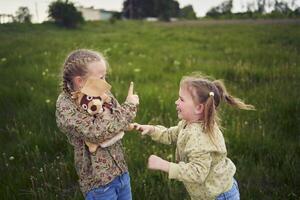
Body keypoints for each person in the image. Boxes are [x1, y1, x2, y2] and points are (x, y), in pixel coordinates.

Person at [133, 74, 254, 200]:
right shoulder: (189, 124)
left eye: (181, 99)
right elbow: (171, 134)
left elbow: (197, 173)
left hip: (218, 196)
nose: (176, 102)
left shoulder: (200, 137)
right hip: (209, 193)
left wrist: (166, 166)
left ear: (199, 108)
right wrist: (152, 129)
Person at [56, 49, 139, 200]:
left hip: (120, 172)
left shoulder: (100, 92)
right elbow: (96, 133)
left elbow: (117, 119)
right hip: (99, 183)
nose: (106, 83)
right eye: (101, 77)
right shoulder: (66, 106)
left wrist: (122, 115)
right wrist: (130, 107)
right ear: (80, 81)